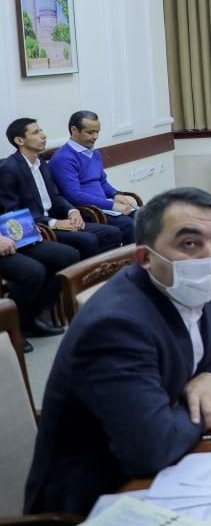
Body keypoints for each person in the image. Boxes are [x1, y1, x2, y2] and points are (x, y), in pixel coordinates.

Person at [24, 188, 211, 516]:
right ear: (145, 258)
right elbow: (151, 449)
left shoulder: (203, 289)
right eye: (190, 244)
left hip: (176, 464)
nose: (210, 258)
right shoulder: (115, 325)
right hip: (97, 499)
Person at [0, 117, 124, 259]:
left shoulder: (41, 163)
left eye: (41, 130)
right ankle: (85, 272)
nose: (43, 135)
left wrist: (72, 211)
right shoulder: (9, 169)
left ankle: (103, 271)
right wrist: (54, 222)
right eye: (35, 133)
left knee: (112, 233)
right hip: (38, 227)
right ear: (19, 140)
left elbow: (56, 196)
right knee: (88, 240)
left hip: (55, 219)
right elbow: (12, 211)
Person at [47, 110, 138, 245]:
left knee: (144, 216)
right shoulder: (63, 158)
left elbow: (102, 182)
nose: (95, 137)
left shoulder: (94, 153)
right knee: (128, 224)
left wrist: (115, 194)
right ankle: (134, 257)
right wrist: (113, 205)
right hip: (88, 210)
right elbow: (74, 195)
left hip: (103, 205)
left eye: (97, 132)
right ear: (74, 130)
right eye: (90, 132)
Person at [0, 224, 78, 352]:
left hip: (12, 233)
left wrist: (27, 225)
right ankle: (9, 329)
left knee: (68, 257)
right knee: (33, 272)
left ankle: (30, 318)